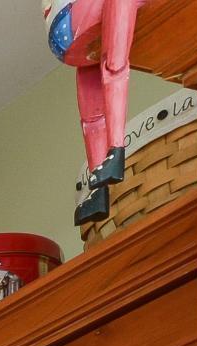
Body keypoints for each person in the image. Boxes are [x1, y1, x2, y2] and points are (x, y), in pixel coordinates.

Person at [44, 0, 153, 226]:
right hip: (74, 25)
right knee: (106, 72)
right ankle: (109, 166)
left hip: (71, 31)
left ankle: (107, 170)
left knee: (102, 74)